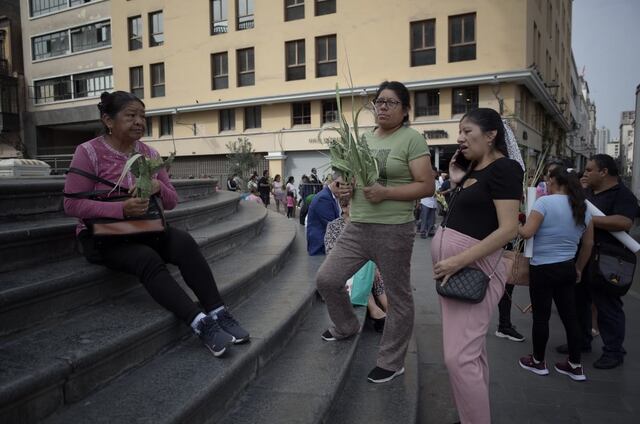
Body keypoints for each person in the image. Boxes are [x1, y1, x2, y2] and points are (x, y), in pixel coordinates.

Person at [63, 91, 249, 358]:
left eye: (142, 116)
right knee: (146, 258)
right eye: (131, 116)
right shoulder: (88, 152)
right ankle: (200, 323)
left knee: (183, 242)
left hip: (143, 228)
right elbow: (71, 204)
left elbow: (171, 202)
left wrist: (158, 186)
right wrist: (120, 208)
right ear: (108, 120)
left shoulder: (148, 153)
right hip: (103, 235)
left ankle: (218, 311)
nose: (139, 121)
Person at [316, 81, 433, 384]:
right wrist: (343, 189)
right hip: (357, 227)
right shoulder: (364, 139)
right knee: (327, 279)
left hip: (394, 229)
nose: (381, 107)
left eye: (390, 102)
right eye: (378, 102)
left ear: (405, 110)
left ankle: (392, 361)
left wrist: (386, 193)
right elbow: (351, 183)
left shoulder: (412, 140)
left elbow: (426, 186)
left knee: (398, 297)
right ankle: (346, 326)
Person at [431, 108, 522, 423]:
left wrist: (457, 260)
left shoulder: (505, 169)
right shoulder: (473, 171)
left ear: (491, 134)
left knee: (458, 357)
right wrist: (458, 176)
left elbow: (509, 228)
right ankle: (471, 414)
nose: (460, 138)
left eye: (467, 131)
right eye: (460, 132)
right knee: (471, 352)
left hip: (474, 271)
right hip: (455, 275)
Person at [517, 167, 594, 381]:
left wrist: (517, 224)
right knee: (571, 317)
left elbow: (527, 233)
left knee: (541, 317)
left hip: (542, 267)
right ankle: (575, 365)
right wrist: (578, 267)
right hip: (567, 267)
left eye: (548, 180)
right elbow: (588, 244)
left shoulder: (544, 203)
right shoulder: (584, 207)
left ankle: (538, 361)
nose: (546, 184)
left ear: (554, 181)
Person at [565, 154, 639, 369]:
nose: (585, 173)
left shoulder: (623, 195)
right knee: (580, 302)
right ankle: (582, 341)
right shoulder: (587, 192)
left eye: (589, 170)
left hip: (609, 259)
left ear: (604, 172)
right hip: (583, 255)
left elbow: (624, 222)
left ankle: (614, 351)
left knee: (608, 306)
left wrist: (587, 219)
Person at [324, 200, 388, 333]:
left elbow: (374, 249)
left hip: (366, 267)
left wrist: (374, 265)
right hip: (344, 266)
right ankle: (376, 312)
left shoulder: (365, 225)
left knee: (374, 273)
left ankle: (387, 314)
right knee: (363, 271)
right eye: (346, 205)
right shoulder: (334, 226)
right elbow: (331, 251)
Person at [306, 173, 343, 255]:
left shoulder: (332, 196)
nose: (342, 188)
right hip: (321, 247)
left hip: (326, 244)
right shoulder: (323, 198)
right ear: (333, 183)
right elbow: (332, 225)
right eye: (339, 184)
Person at [418, 169, 438, 238]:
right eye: (432, 172)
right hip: (425, 202)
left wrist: (439, 194)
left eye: (434, 173)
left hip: (433, 203)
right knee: (424, 218)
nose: (433, 174)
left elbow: (439, 191)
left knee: (432, 219)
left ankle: (430, 231)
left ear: (436, 174)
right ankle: (423, 232)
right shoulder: (426, 181)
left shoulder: (437, 182)